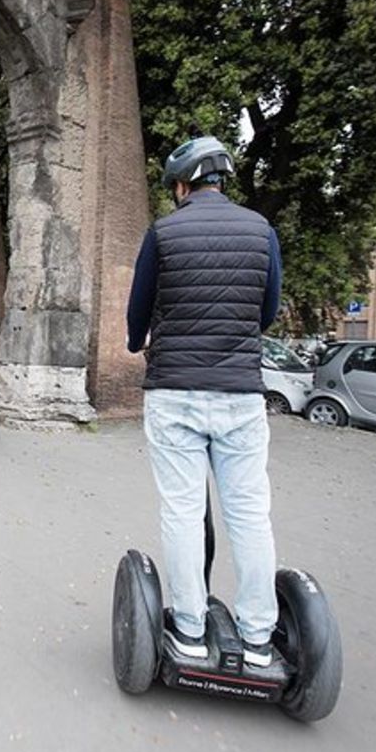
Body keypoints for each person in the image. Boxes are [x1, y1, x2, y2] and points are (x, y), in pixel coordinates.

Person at [125, 135, 283, 668]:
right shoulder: (262, 230)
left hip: (174, 391)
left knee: (184, 512)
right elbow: (267, 308)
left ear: (181, 184)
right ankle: (259, 637)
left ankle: (190, 631)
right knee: (250, 514)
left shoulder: (163, 232)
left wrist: (137, 341)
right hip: (241, 394)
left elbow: (139, 306)